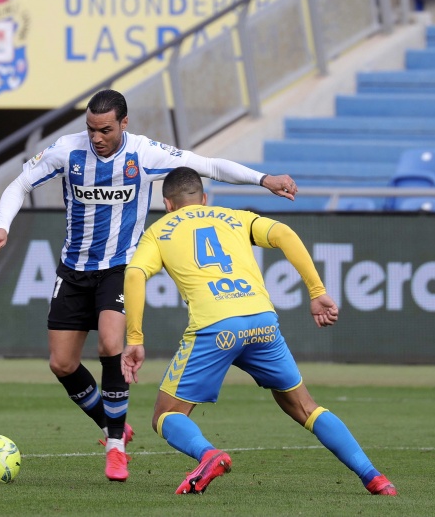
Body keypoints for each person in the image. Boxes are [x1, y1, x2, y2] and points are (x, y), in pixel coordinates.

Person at [0, 89, 297, 482]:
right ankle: (114, 426)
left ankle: (116, 447)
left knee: (111, 344)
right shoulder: (66, 151)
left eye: (105, 130)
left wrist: (264, 179)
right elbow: (19, 184)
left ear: (124, 123)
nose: (96, 138)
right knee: (62, 364)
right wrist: (2, 226)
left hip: (119, 268)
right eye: (91, 129)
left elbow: (209, 165)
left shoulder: (144, 153)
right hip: (73, 269)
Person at [121, 166, 397, 496]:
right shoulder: (236, 217)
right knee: (305, 407)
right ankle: (375, 477)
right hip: (262, 321)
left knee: (165, 415)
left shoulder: (159, 230)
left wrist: (135, 338)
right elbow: (284, 234)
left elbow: (134, 274)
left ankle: (209, 455)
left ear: (168, 204)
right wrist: (317, 291)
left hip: (216, 327)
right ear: (204, 199)